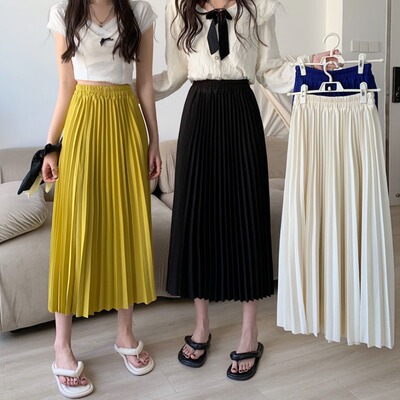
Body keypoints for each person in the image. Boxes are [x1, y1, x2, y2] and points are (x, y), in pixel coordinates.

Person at [153, 0, 332, 381]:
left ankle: (250, 333)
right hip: (198, 115)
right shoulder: (179, 7)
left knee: (247, 216)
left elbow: (269, 69)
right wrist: (128, 84)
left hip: (241, 113)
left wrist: (310, 68)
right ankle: (201, 327)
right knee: (197, 219)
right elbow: (173, 74)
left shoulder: (257, 7)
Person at [44, 0, 161, 397]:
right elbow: (66, 86)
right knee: (74, 233)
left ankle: (126, 333)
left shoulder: (140, 12)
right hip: (82, 124)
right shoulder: (63, 12)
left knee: (125, 228)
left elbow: (144, 84)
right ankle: (62, 346)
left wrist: (154, 141)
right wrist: (50, 147)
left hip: (126, 124)